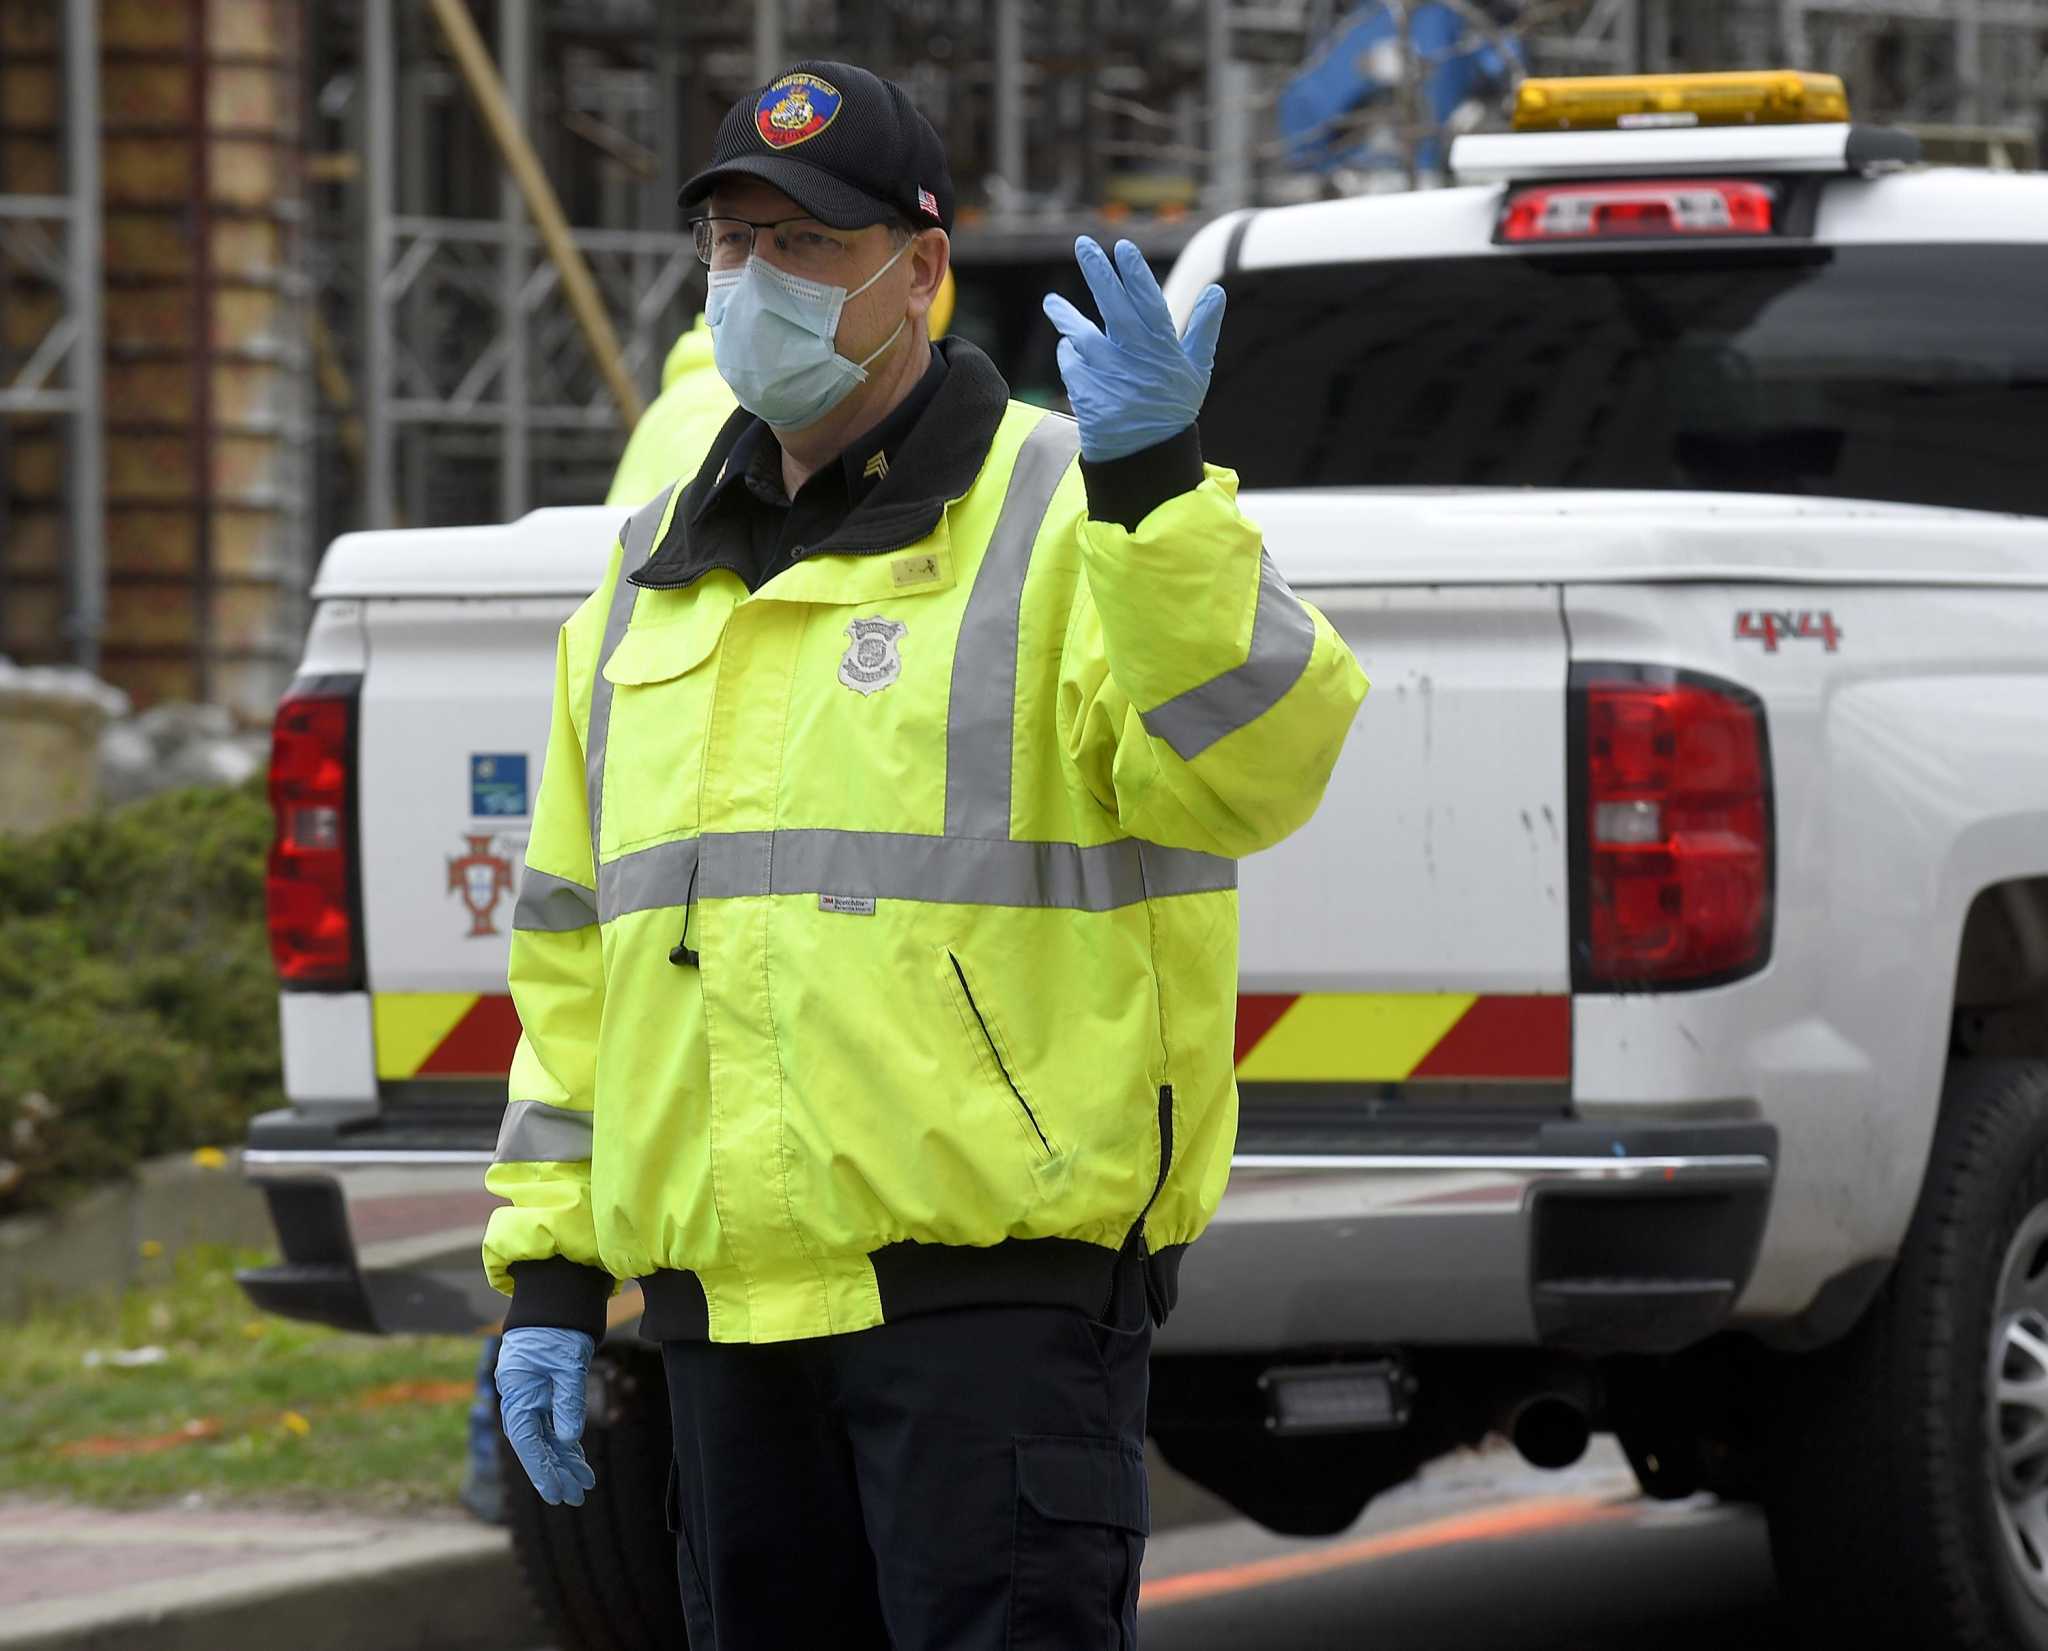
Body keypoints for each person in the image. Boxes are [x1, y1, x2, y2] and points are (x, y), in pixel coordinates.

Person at [484, 58, 1368, 1650]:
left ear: (923, 270)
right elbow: (575, 961)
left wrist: (1160, 486)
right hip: (726, 1316)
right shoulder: (644, 581)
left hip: (992, 1306)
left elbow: (1258, 764)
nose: (760, 283)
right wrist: (550, 1276)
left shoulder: (1066, 508)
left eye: (811, 246)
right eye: (733, 244)